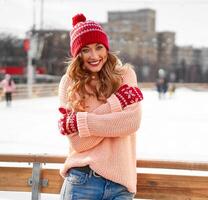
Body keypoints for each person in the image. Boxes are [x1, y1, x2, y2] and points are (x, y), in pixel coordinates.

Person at [57, 13, 143, 200]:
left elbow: (131, 123)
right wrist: (117, 103)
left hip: (121, 185)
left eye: (99, 47)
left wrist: (81, 121)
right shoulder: (69, 82)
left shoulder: (125, 75)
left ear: (107, 48)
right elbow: (79, 142)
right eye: (85, 50)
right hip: (81, 181)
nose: (94, 56)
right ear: (77, 54)